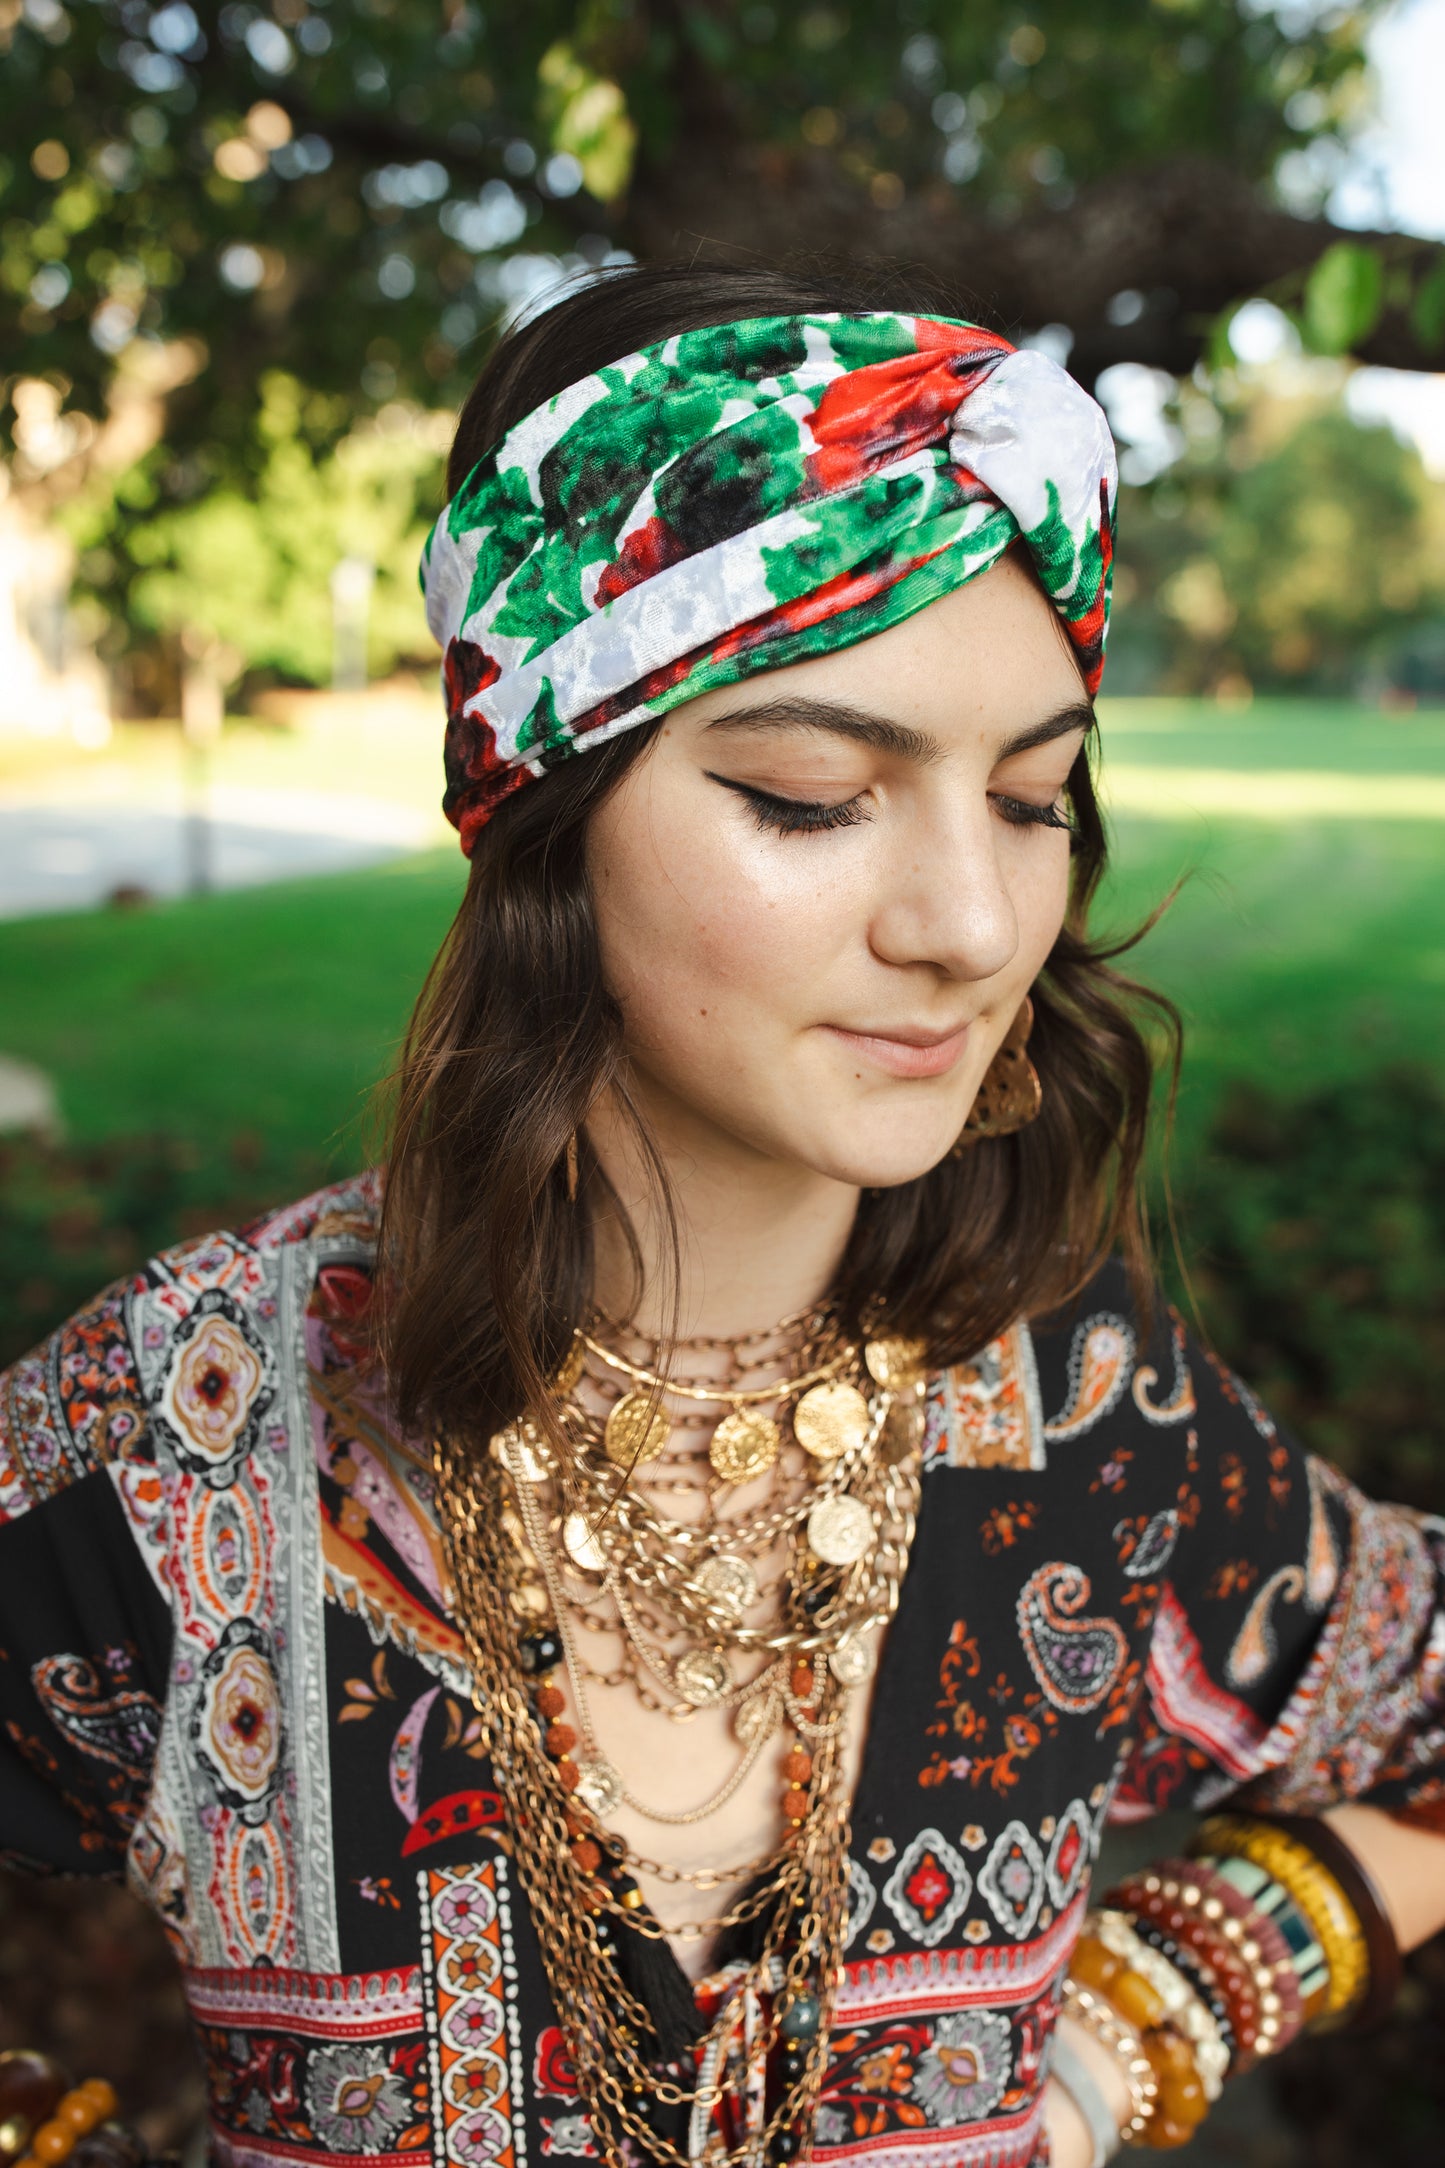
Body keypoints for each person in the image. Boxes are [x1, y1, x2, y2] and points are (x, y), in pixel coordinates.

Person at [2, 261, 1444, 2168]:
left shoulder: (1089, 1413)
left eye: (1031, 798)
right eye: (811, 795)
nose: (974, 924)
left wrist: (1114, 2048)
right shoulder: (189, 1423)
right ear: (541, 808)